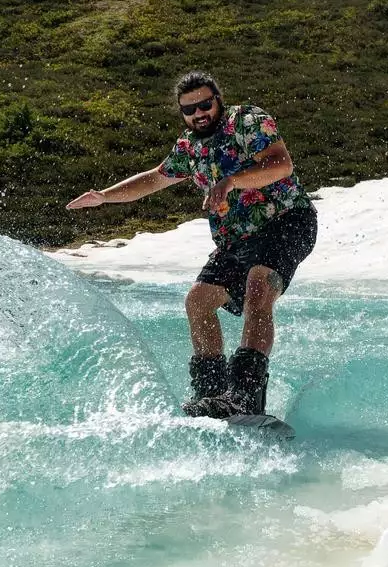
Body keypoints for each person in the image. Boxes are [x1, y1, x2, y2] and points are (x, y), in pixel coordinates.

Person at [67, 71, 316, 418]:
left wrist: (231, 182)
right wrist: (104, 197)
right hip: (236, 240)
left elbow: (281, 164)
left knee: (259, 286)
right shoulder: (188, 146)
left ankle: (244, 393)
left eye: (205, 104)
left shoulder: (246, 121)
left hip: (286, 221)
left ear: (218, 99)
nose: (199, 113)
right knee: (198, 301)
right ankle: (212, 395)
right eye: (189, 110)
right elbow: (154, 179)